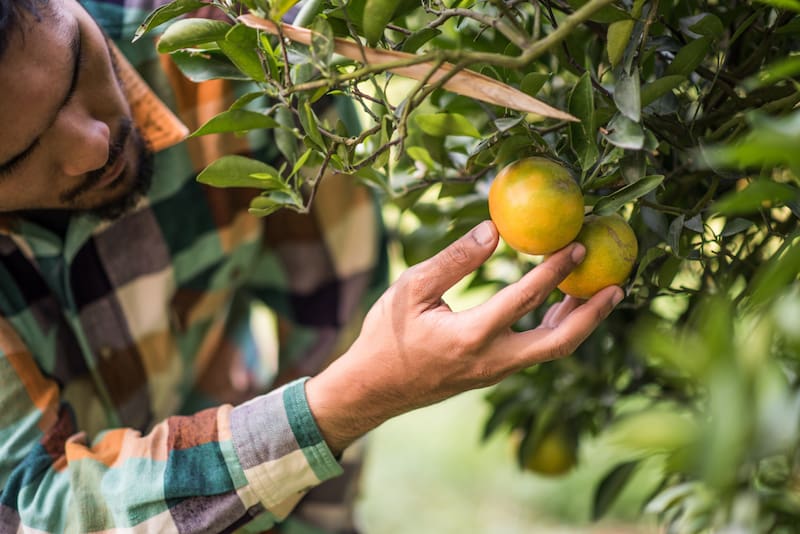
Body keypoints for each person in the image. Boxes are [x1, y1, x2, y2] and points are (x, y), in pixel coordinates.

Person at [0, 0, 624, 533]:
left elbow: (333, 313)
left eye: (78, 64)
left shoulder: (236, 54)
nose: (94, 144)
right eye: (20, 155)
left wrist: (314, 499)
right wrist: (341, 404)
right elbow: (33, 509)